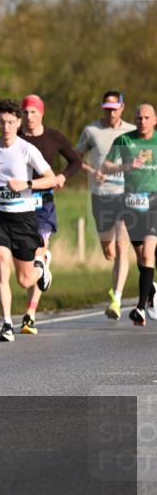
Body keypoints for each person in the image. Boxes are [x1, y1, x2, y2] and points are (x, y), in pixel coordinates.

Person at [0, 99, 57, 342]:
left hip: (24, 219)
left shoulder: (27, 149)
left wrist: (26, 184)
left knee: (24, 279)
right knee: (0, 261)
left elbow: (51, 179)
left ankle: (41, 264)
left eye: (11, 122)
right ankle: (6, 324)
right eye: (2, 122)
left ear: (18, 123)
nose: (6, 127)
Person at [17, 94, 82, 334]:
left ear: (41, 113)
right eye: (25, 112)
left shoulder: (54, 137)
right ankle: (44, 263)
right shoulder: (16, 139)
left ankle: (30, 314)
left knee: (37, 253)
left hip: (44, 204)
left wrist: (62, 176)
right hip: (19, 206)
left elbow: (76, 161)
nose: (29, 117)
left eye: (33, 112)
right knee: (27, 263)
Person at [75, 90, 137, 319]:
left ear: (122, 107)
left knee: (123, 246)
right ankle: (116, 289)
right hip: (101, 195)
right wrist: (93, 171)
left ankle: (117, 300)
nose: (110, 113)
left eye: (114, 108)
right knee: (108, 251)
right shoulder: (91, 130)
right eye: (106, 109)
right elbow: (75, 157)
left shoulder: (132, 131)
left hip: (125, 194)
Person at [101, 103, 157, 326]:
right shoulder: (124, 141)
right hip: (130, 202)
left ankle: (141, 308)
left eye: (146, 117)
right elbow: (105, 166)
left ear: (154, 120)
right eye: (138, 118)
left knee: (147, 255)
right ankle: (151, 287)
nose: (142, 121)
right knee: (136, 254)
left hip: (154, 203)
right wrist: (125, 167)